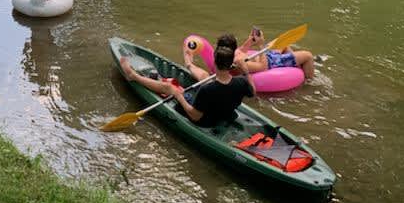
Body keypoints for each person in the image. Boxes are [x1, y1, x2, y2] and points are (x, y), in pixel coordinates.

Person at [120, 35, 255, 127]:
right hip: (226, 115)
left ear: (214, 61)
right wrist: (246, 71)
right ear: (231, 63)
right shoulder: (241, 82)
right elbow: (252, 92)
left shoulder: (207, 90)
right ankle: (189, 65)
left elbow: (195, 116)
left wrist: (179, 96)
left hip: (205, 121)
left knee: (170, 88)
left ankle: (133, 76)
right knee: (205, 77)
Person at [237, 28, 315, 79]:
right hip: (271, 63)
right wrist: (261, 45)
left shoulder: (231, 53)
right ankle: (309, 82)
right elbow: (263, 67)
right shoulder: (239, 61)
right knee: (308, 56)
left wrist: (251, 39)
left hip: (265, 56)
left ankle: (299, 66)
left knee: (283, 44)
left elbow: (242, 49)